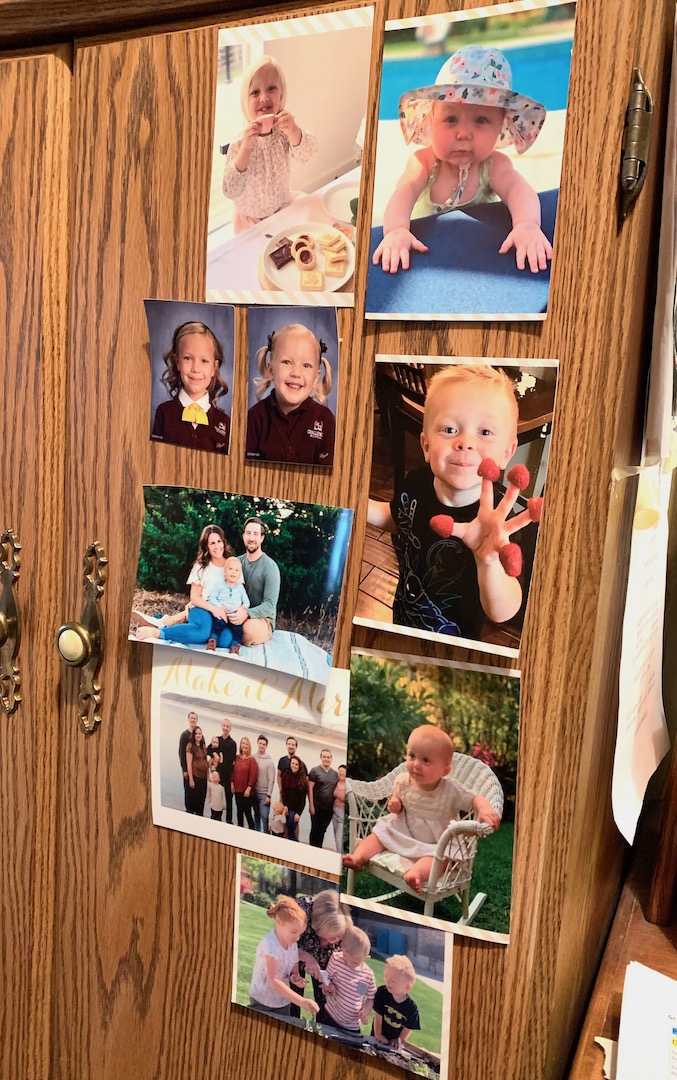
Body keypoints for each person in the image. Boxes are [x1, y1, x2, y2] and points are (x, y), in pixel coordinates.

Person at [367, 365, 540, 641]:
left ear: (507, 453)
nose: (465, 443)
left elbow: (503, 611)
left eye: (485, 432)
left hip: (450, 645)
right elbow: (398, 519)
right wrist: (357, 506)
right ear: (426, 446)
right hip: (403, 617)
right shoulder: (417, 481)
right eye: (449, 429)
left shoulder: (501, 525)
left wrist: (489, 561)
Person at [373, 45, 551, 275]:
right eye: (451, 119)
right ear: (430, 120)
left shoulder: (494, 165)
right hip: (425, 256)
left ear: (500, 127)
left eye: (481, 120)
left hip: (478, 255)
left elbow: (519, 189)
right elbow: (404, 191)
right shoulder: (425, 162)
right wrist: (396, 230)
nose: (464, 133)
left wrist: (527, 225)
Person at [343, 725, 501, 894]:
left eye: (425, 760)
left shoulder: (451, 789)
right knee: (378, 835)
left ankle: (415, 874)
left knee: (440, 858)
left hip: (434, 842)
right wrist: (395, 803)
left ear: (445, 770)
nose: (416, 764)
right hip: (402, 831)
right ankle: (358, 857)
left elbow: (474, 798)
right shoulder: (403, 780)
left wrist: (484, 808)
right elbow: (397, 798)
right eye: (412, 756)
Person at [222, 55, 318, 233]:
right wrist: (245, 149)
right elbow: (229, 189)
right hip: (251, 221)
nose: (264, 97)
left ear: (281, 96)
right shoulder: (240, 143)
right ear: (245, 101)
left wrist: (294, 131)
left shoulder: (284, 133)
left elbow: (308, 153)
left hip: (283, 209)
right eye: (255, 92)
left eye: (271, 88)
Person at [245, 324, 335, 466]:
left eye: (306, 365)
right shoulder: (254, 418)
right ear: (271, 370)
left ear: (316, 377)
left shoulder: (326, 421)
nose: (296, 373)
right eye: (287, 362)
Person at [135, 525, 232, 647]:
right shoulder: (201, 567)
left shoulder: (232, 564)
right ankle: (159, 632)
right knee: (203, 632)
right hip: (203, 609)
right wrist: (214, 609)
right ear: (206, 546)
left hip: (221, 615)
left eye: (219, 541)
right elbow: (195, 598)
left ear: (224, 541)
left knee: (225, 641)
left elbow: (237, 591)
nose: (217, 546)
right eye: (212, 543)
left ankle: (165, 621)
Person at [151, 320, 230, 453]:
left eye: (204, 361)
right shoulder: (164, 413)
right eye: (188, 358)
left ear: (214, 368)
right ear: (177, 362)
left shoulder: (224, 422)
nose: (195, 369)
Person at [248, 897, 319, 1018]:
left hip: (282, 1002)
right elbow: (274, 980)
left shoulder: (292, 944)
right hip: (262, 1000)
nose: (297, 937)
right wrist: (301, 1001)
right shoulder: (270, 945)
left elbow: (293, 971)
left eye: (300, 934)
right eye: (294, 931)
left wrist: (295, 978)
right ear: (279, 921)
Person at [294, 889, 350, 1018]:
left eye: (338, 936)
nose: (333, 941)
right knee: (292, 1000)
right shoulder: (301, 912)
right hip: (294, 958)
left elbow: (342, 963)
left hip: (324, 965)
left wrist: (330, 983)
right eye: (330, 935)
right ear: (318, 923)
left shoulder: (344, 925)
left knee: (326, 1007)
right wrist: (306, 957)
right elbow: (282, 944)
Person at [227, 517, 281, 647]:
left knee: (246, 632)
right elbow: (218, 585)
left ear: (262, 538)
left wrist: (247, 613)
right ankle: (173, 620)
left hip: (262, 619)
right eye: (248, 533)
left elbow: (269, 605)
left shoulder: (270, 567)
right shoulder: (236, 562)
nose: (252, 538)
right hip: (236, 612)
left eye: (256, 534)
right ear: (243, 536)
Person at [321, 925, 376, 1034]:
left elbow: (370, 998)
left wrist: (365, 1011)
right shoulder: (336, 960)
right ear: (343, 952)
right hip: (330, 1016)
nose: (357, 964)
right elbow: (326, 979)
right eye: (355, 961)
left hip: (352, 1026)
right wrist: (328, 987)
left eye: (361, 961)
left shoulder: (367, 975)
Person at [372, 955, 421, 1049]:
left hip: (393, 1046)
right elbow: (378, 1015)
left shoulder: (411, 1008)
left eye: (393, 981)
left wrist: (399, 1040)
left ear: (407, 987)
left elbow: (408, 1027)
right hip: (375, 1038)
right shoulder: (382, 993)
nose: (387, 982)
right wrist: (378, 1034)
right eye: (386, 976)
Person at [205, 556, 250, 654]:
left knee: (238, 631)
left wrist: (241, 608)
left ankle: (234, 648)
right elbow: (212, 598)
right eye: (230, 569)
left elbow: (247, 602)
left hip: (234, 616)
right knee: (217, 625)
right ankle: (212, 642)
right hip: (222, 613)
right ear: (225, 572)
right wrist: (219, 606)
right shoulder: (219, 585)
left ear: (239, 574)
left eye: (236, 570)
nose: (233, 572)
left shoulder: (240, 588)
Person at [308, 749, 339, 849]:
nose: (326, 759)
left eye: (328, 757)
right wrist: (311, 805)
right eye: (324, 757)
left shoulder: (335, 774)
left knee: (322, 831)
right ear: (321, 758)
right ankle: (312, 849)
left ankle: (318, 849)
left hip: (329, 809)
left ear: (331, 759)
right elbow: (310, 789)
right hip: (316, 807)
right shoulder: (314, 771)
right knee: (315, 830)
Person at [279, 755, 309, 841]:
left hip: (296, 810)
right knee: (286, 829)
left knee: (292, 830)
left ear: (299, 766)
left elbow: (303, 799)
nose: (294, 766)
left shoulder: (302, 780)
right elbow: (283, 793)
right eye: (293, 763)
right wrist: (284, 806)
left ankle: (295, 844)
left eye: (296, 764)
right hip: (286, 807)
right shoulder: (285, 776)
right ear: (290, 764)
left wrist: (299, 813)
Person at [231, 737, 258, 829]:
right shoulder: (236, 758)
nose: (244, 746)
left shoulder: (252, 760)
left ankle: (252, 830)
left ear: (249, 746)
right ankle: (240, 829)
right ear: (240, 745)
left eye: (246, 744)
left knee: (247, 812)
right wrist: (231, 783)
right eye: (243, 744)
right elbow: (232, 772)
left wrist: (249, 787)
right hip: (237, 788)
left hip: (246, 791)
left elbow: (253, 775)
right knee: (239, 811)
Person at [253, 735, 275, 834]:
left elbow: (271, 779)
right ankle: (257, 834)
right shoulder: (253, 757)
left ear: (266, 746)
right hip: (254, 791)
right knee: (256, 815)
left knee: (264, 816)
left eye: (264, 744)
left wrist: (269, 794)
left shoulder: (269, 762)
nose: (262, 746)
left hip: (264, 793)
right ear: (257, 743)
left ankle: (266, 834)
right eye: (260, 743)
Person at [185, 726, 209, 816]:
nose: (198, 735)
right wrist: (191, 779)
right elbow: (189, 764)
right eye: (196, 733)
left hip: (203, 778)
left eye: (200, 733)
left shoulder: (203, 746)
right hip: (195, 777)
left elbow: (205, 760)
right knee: (192, 803)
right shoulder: (190, 746)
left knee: (201, 802)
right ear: (193, 735)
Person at [217, 718, 237, 825]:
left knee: (229, 801)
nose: (225, 728)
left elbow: (231, 761)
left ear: (230, 729)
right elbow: (209, 751)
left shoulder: (232, 743)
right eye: (224, 725)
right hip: (217, 776)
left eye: (227, 726)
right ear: (221, 726)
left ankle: (229, 821)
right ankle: (217, 819)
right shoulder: (217, 740)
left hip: (228, 776)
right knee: (218, 799)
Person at [178, 711, 198, 812]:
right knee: (188, 791)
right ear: (188, 719)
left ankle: (194, 810)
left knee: (195, 792)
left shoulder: (199, 735)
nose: (193, 720)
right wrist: (184, 769)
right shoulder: (184, 735)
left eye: (195, 718)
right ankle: (188, 811)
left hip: (196, 770)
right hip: (187, 769)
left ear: (197, 720)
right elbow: (181, 753)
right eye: (192, 718)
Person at [332, 764, 347, 854]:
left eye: (344, 772)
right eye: (340, 771)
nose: (341, 773)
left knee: (339, 840)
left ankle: (341, 861)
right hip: (334, 812)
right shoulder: (336, 783)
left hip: (342, 814)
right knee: (335, 837)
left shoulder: (347, 786)